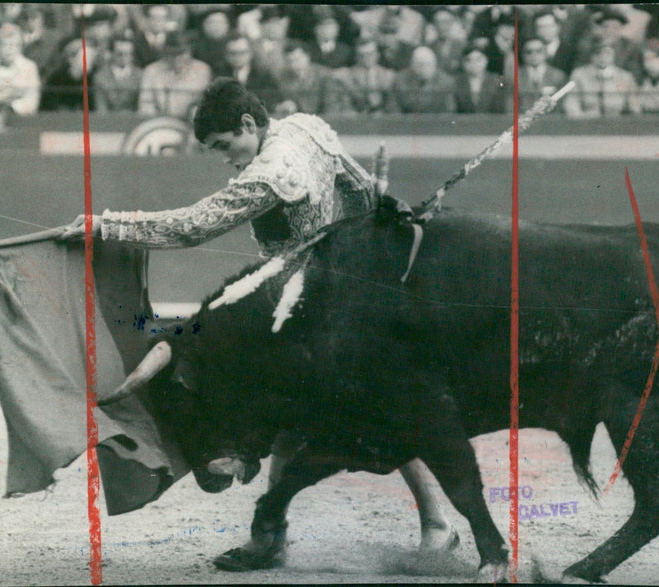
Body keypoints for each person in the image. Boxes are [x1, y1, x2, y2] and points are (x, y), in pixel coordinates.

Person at [61, 78, 456, 568]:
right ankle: (271, 531)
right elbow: (358, 189)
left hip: (313, 309)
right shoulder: (306, 129)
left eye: (227, 146)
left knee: (363, 407)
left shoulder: (271, 172)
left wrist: (108, 225)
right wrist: (383, 219)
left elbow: (192, 226)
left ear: (248, 124)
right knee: (302, 409)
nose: (227, 160)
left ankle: (429, 523)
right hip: (314, 300)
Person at [0, 23, 41, 127]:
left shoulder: (29, 68)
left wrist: (11, 107)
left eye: (14, 44)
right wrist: (2, 97)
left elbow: (32, 101)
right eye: (4, 45)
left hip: (21, 121)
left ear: (20, 47)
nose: (9, 49)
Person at [138, 31, 212, 118]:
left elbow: (206, 103)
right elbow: (145, 104)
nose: (177, 58)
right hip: (160, 124)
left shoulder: (203, 70)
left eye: (181, 53)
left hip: (191, 124)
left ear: (190, 51)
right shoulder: (151, 71)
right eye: (172, 54)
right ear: (165, 53)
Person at [563, 35, 640, 118]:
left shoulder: (625, 77)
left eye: (607, 53)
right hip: (586, 123)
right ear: (591, 55)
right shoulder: (579, 75)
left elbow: (635, 106)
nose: (602, 57)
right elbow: (571, 104)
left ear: (614, 54)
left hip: (617, 125)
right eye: (598, 53)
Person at [213, 33, 284, 112]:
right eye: (233, 53)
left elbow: (272, 100)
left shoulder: (263, 75)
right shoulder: (220, 75)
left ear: (250, 53)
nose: (238, 57)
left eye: (242, 52)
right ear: (226, 55)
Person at [327, 38, 396, 115]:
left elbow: (393, 104)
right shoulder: (345, 76)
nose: (366, 58)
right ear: (356, 57)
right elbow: (344, 103)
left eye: (370, 54)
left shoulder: (389, 75)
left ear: (377, 55)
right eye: (362, 55)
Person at [390, 46, 456, 113]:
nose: (424, 69)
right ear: (412, 65)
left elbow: (449, 111)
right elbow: (393, 108)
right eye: (420, 65)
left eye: (428, 64)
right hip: (407, 121)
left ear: (435, 65)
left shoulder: (446, 82)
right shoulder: (400, 80)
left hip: (436, 121)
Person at [40, 37, 97, 111]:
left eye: (91, 57)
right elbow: (48, 106)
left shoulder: (92, 80)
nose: (90, 61)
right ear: (71, 59)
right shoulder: (57, 79)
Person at [516, 36, 567, 114]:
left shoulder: (558, 76)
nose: (534, 55)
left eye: (539, 51)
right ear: (523, 54)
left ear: (546, 53)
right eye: (529, 52)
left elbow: (561, 107)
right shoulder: (514, 76)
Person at [93, 35, 143, 112]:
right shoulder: (100, 77)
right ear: (112, 54)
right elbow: (101, 109)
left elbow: (142, 107)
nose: (124, 57)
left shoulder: (140, 75)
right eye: (120, 54)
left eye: (128, 54)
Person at [454, 43, 507, 114]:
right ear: (463, 63)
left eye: (478, 60)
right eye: (468, 60)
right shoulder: (457, 82)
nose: (474, 64)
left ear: (486, 60)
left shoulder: (497, 81)